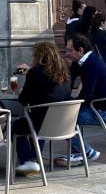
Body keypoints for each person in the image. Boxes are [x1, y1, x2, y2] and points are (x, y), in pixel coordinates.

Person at [59, 33, 106, 166]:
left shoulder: (91, 65)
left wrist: (69, 105)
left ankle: (86, 152)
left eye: (70, 50)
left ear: (81, 50)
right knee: (69, 115)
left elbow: (87, 95)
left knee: (64, 121)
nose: (66, 54)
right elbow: (72, 82)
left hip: (102, 113)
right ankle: (77, 153)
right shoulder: (89, 60)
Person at [14, 41, 72, 176]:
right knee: (38, 121)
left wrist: (21, 89)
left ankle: (28, 161)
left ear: (38, 56)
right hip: (65, 124)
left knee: (15, 126)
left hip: (43, 124)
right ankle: (36, 160)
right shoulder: (65, 72)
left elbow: (23, 100)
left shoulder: (35, 73)